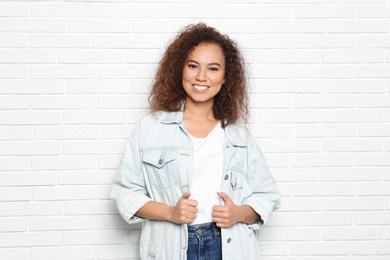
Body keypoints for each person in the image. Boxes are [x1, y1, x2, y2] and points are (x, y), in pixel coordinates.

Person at [111, 23, 280, 260]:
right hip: (171, 247)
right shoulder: (150, 129)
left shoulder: (239, 137)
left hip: (227, 245)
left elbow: (267, 195)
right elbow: (125, 193)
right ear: (179, 69)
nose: (201, 76)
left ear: (225, 78)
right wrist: (171, 212)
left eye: (213, 68)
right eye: (193, 66)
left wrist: (238, 213)